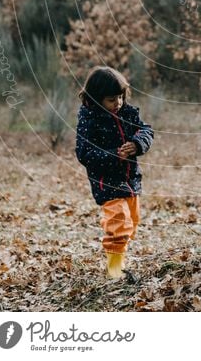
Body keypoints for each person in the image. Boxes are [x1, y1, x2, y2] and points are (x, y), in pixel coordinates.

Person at [75, 66, 154, 278]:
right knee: (119, 224)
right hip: (106, 183)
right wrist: (114, 155)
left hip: (131, 179)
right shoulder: (89, 119)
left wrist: (137, 144)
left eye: (120, 97)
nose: (117, 103)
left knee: (133, 223)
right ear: (97, 98)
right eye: (111, 99)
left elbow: (146, 130)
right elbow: (84, 153)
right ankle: (114, 271)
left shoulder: (127, 112)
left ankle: (120, 260)